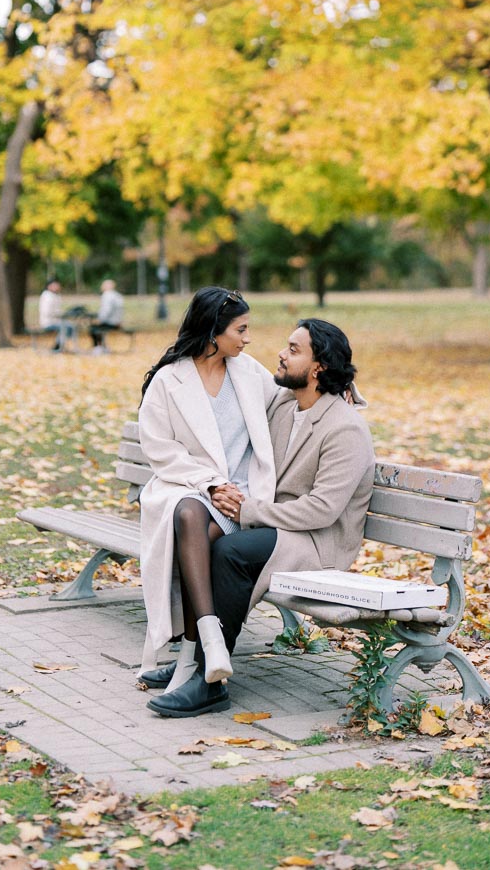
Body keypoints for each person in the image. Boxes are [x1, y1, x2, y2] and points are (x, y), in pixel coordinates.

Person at [146, 318, 375, 719]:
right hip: (281, 529)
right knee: (196, 534)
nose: (281, 354)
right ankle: (194, 658)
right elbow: (241, 391)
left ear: (317, 366)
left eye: (293, 349)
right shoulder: (287, 404)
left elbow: (322, 510)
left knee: (231, 550)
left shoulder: (346, 428)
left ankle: (210, 682)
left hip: (317, 543)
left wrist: (251, 512)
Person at [137, 287, 278, 711]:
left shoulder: (250, 373)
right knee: (188, 514)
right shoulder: (170, 379)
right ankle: (210, 643)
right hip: (187, 487)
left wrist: (341, 388)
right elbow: (160, 449)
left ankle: (193, 659)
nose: (247, 338)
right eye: (241, 329)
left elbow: (292, 398)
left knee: (199, 537)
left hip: (241, 499)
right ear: (214, 333)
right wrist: (209, 482)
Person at [89, 278, 124, 351]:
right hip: (117, 322)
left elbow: (106, 311)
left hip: (110, 322)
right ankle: (103, 347)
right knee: (97, 327)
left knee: (93, 328)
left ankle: (98, 348)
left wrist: (100, 320)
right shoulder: (117, 295)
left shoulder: (107, 295)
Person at [38, 280, 63, 348]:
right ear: (49, 286)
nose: (57, 287)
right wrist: (58, 315)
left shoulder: (56, 296)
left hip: (55, 321)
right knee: (66, 327)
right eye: (55, 285)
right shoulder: (47, 296)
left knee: (69, 327)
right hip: (48, 322)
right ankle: (58, 346)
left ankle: (59, 345)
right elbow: (47, 312)